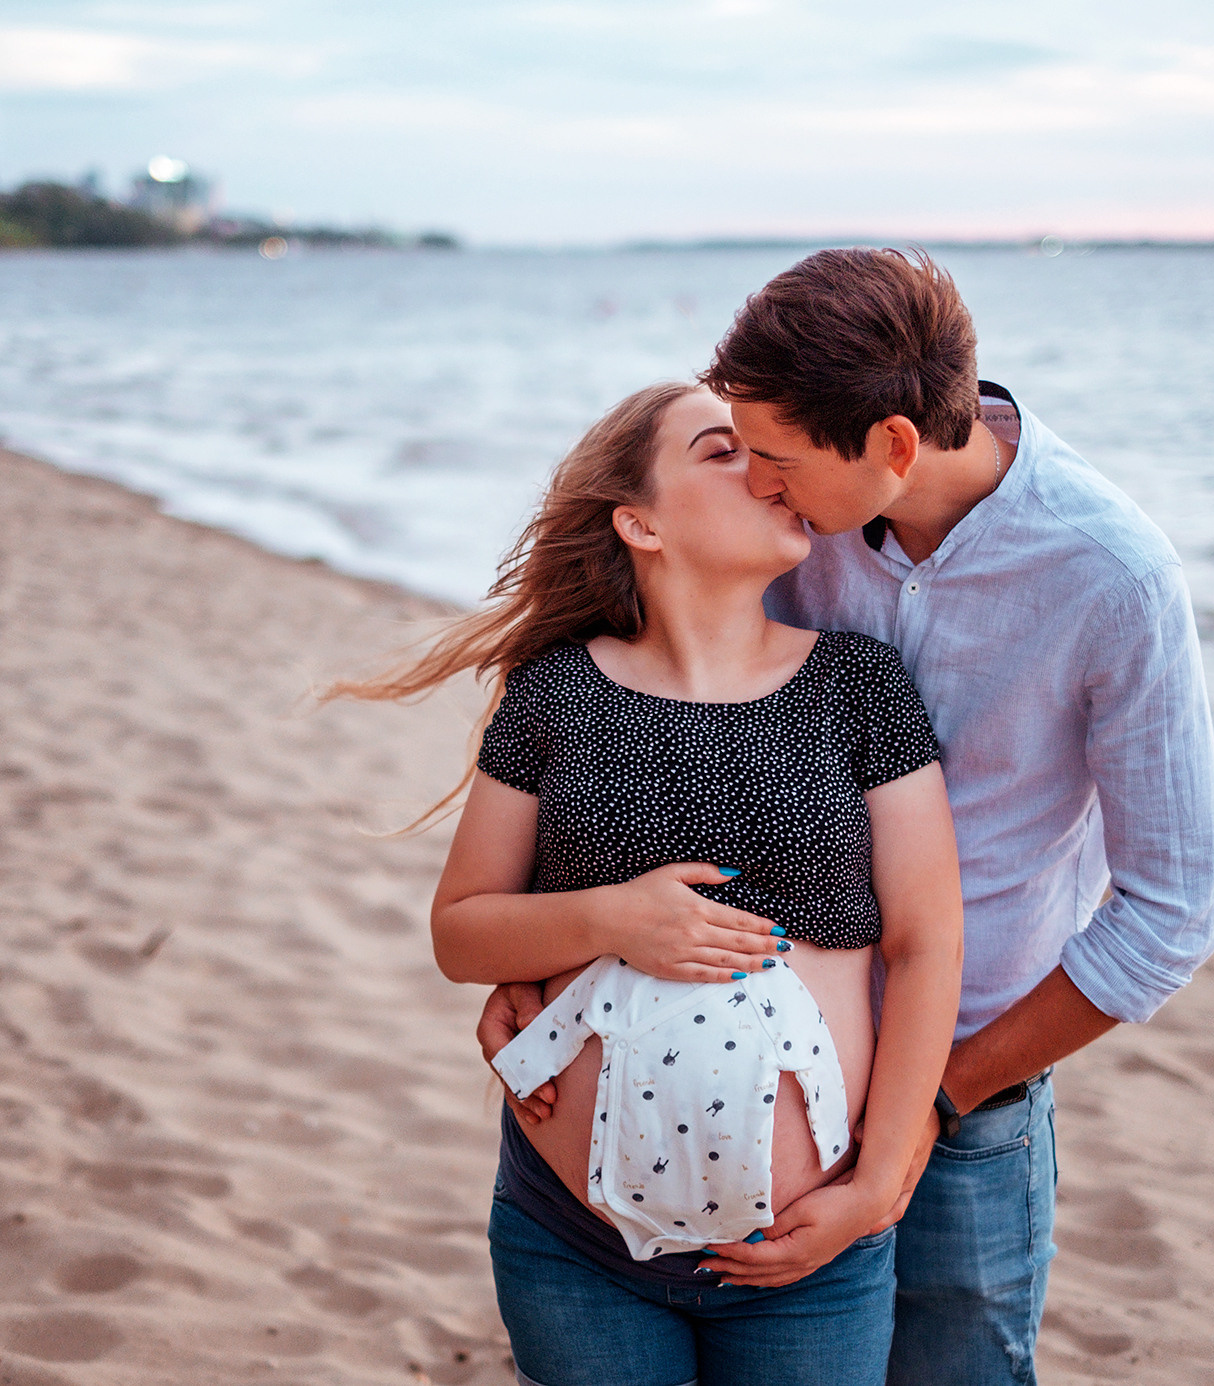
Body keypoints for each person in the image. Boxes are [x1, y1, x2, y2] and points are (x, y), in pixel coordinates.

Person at [481, 248, 1214, 1385]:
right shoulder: (794, 528)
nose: (760, 484)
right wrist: (542, 971)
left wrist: (930, 1104)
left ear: (888, 445)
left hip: (967, 1095)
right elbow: (670, 730)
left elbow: (1172, 911)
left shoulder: (1111, 581)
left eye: (772, 460)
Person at [336, 381, 966, 1386]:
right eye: (722, 453)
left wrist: (877, 1183)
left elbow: (925, 942)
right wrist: (611, 920)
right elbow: (460, 933)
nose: (766, 474)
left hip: (807, 1255)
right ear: (639, 521)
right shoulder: (555, 691)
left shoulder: (860, 686)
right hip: (574, 1252)